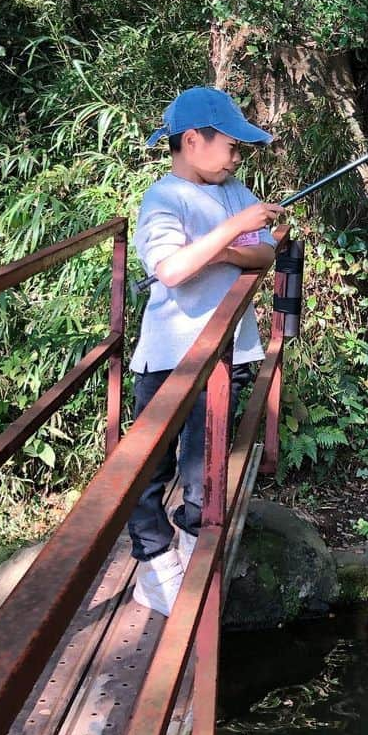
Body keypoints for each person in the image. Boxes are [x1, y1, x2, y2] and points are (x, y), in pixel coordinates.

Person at [128, 87, 284, 615]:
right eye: (231, 145)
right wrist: (232, 236)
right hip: (172, 355)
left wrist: (227, 246)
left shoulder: (235, 191)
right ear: (192, 140)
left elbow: (265, 252)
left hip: (229, 353)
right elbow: (170, 269)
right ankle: (154, 566)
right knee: (150, 469)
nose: (237, 156)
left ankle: (193, 569)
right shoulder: (163, 198)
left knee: (205, 468)